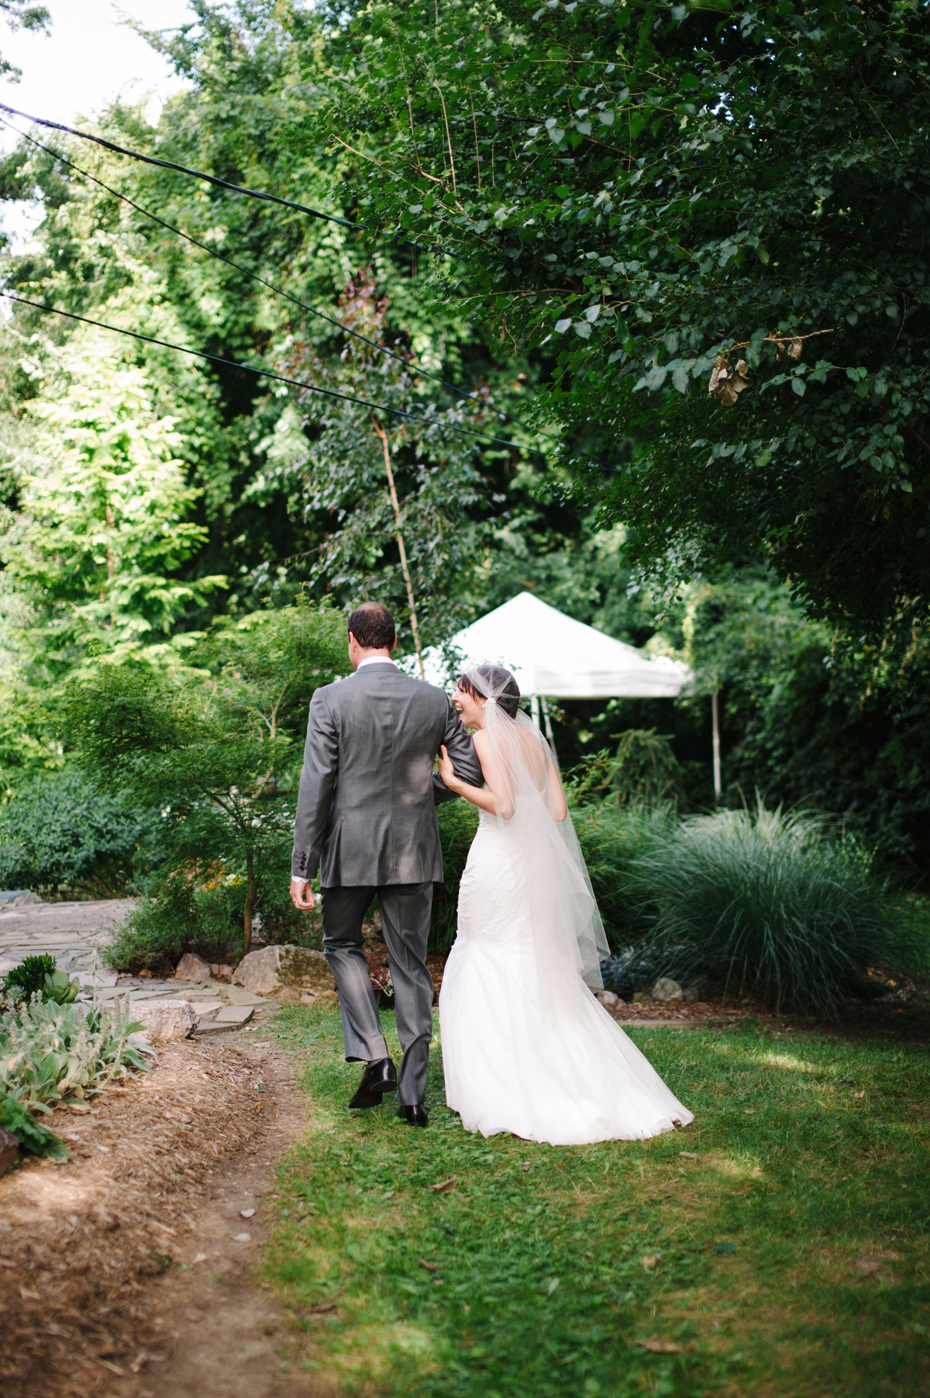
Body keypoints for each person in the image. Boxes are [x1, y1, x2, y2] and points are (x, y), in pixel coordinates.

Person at [436, 663, 693, 1145]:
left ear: (483, 699)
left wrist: (456, 784)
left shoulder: (487, 742)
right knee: (528, 959)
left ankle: (506, 1075)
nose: (456, 698)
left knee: (487, 952)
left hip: (498, 863)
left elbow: (505, 806)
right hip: (529, 866)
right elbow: (557, 811)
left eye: (462, 691)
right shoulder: (537, 743)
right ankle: (558, 1062)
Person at [290, 602, 482, 1127]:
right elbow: (468, 770)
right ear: (393, 643)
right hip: (413, 850)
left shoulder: (329, 699)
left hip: (348, 848)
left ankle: (376, 1055)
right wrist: (420, 794)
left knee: (341, 945)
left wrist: (301, 865)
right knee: (411, 964)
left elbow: (316, 787)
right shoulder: (432, 700)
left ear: (353, 641)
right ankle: (414, 1098)